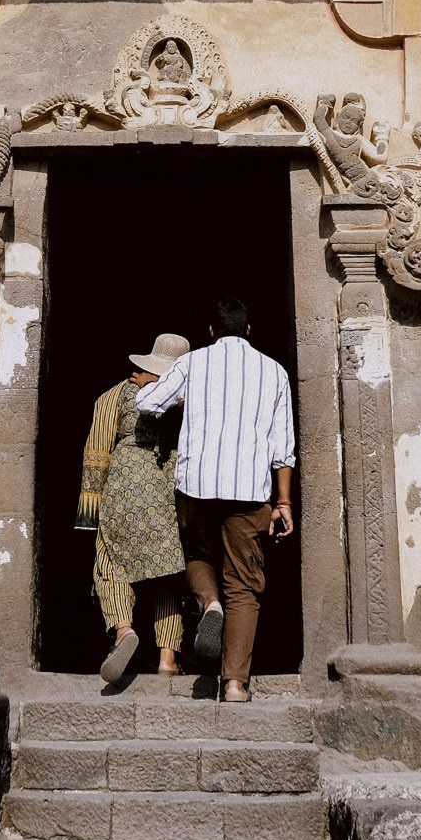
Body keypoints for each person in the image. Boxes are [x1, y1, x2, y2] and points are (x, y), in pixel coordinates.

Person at [136, 298, 295, 702]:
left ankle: (209, 603)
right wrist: (284, 503)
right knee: (244, 584)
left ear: (210, 332)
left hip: (197, 486)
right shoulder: (274, 372)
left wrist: (187, 402)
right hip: (250, 493)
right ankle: (236, 683)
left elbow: (147, 403)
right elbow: (283, 449)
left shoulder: (192, 365)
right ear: (248, 329)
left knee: (196, 555)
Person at [76, 333, 192, 684]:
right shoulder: (189, 400)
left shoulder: (114, 395)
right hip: (171, 485)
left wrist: (89, 509)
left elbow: (96, 452)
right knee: (168, 572)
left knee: (110, 560)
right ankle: (168, 658)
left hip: (125, 480)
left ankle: (123, 630)